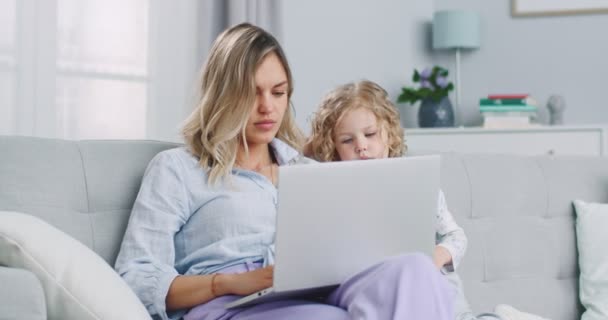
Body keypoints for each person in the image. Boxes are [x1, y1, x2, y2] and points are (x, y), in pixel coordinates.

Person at [114, 23, 454, 320]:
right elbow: (136, 277)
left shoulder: (310, 171)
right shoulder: (177, 169)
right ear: (223, 96)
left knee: (416, 269)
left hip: (321, 288)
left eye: (278, 93)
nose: (268, 107)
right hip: (233, 302)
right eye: (251, 94)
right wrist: (227, 282)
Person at [305, 80, 502, 320]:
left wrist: (436, 256)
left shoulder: (416, 183)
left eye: (370, 134)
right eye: (347, 140)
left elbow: (456, 236)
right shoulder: (334, 193)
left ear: (389, 134)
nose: (361, 146)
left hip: (442, 294)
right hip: (385, 296)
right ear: (333, 147)